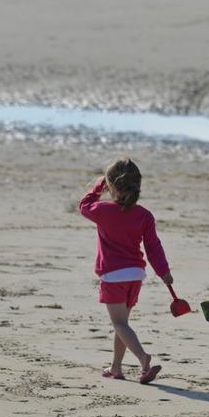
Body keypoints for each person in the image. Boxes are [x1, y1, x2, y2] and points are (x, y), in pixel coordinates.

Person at [78, 157, 172, 385]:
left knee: (119, 324)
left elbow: (83, 205)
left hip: (113, 276)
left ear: (111, 186)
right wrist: (163, 271)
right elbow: (153, 247)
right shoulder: (144, 215)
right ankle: (116, 367)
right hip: (135, 275)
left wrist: (98, 186)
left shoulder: (102, 210)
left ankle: (143, 359)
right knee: (123, 324)